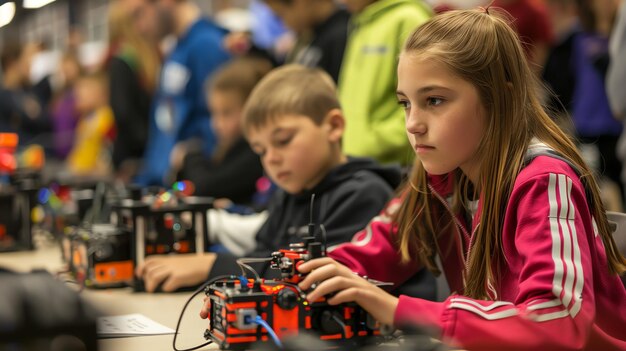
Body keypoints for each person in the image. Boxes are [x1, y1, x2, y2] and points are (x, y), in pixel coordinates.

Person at [242, 9, 626, 350]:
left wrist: (397, 309)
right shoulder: (439, 179)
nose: (413, 124)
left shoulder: (544, 180)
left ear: (499, 98)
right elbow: (364, 257)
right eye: (405, 103)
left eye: (435, 101)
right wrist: (292, 282)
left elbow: (557, 320)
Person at [136, 65, 402, 292]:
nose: (271, 159)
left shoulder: (363, 194)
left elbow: (316, 280)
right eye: (261, 150)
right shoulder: (288, 195)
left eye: (283, 141)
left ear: (333, 126)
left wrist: (213, 265)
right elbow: (262, 256)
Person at [135, 0, 231, 186]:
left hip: (189, 186)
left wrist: (192, 154)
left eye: (139, 13)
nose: (138, 28)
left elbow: (222, 125)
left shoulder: (207, 45)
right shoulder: (177, 49)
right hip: (164, 186)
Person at [338, 0, 431, 166]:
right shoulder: (361, 21)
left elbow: (427, 98)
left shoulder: (409, 18)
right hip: (356, 162)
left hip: (395, 168)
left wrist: (372, 142)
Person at [170, 56, 271, 205]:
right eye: (214, 113)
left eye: (226, 113)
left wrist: (190, 158)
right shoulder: (228, 148)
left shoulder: (255, 153)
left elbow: (206, 187)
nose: (217, 124)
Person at [106, 0, 161, 182]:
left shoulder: (134, 58)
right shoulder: (127, 59)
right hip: (136, 157)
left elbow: (123, 111)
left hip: (141, 154)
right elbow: (123, 112)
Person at [263, 0, 349, 83]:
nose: (285, 24)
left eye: (281, 15)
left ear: (301, 2)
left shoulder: (341, 36)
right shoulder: (312, 34)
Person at [66, 71, 115, 176]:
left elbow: (107, 151)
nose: (78, 93)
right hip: (80, 173)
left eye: (85, 89)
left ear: (102, 94)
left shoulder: (105, 118)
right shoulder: (84, 119)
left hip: (92, 177)